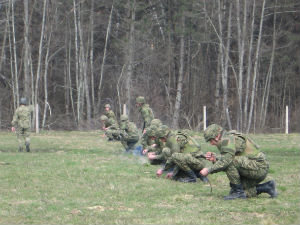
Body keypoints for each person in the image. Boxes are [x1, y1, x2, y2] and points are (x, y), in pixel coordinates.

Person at [200, 124, 277, 200]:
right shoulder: (228, 138)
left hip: (259, 168)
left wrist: (208, 170)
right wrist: (215, 158)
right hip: (253, 168)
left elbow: (226, 161)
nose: (211, 143)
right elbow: (230, 157)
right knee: (236, 191)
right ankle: (267, 187)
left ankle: (238, 192)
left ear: (217, 136)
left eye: (211, 140)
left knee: (230, 163)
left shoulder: (227, 141)